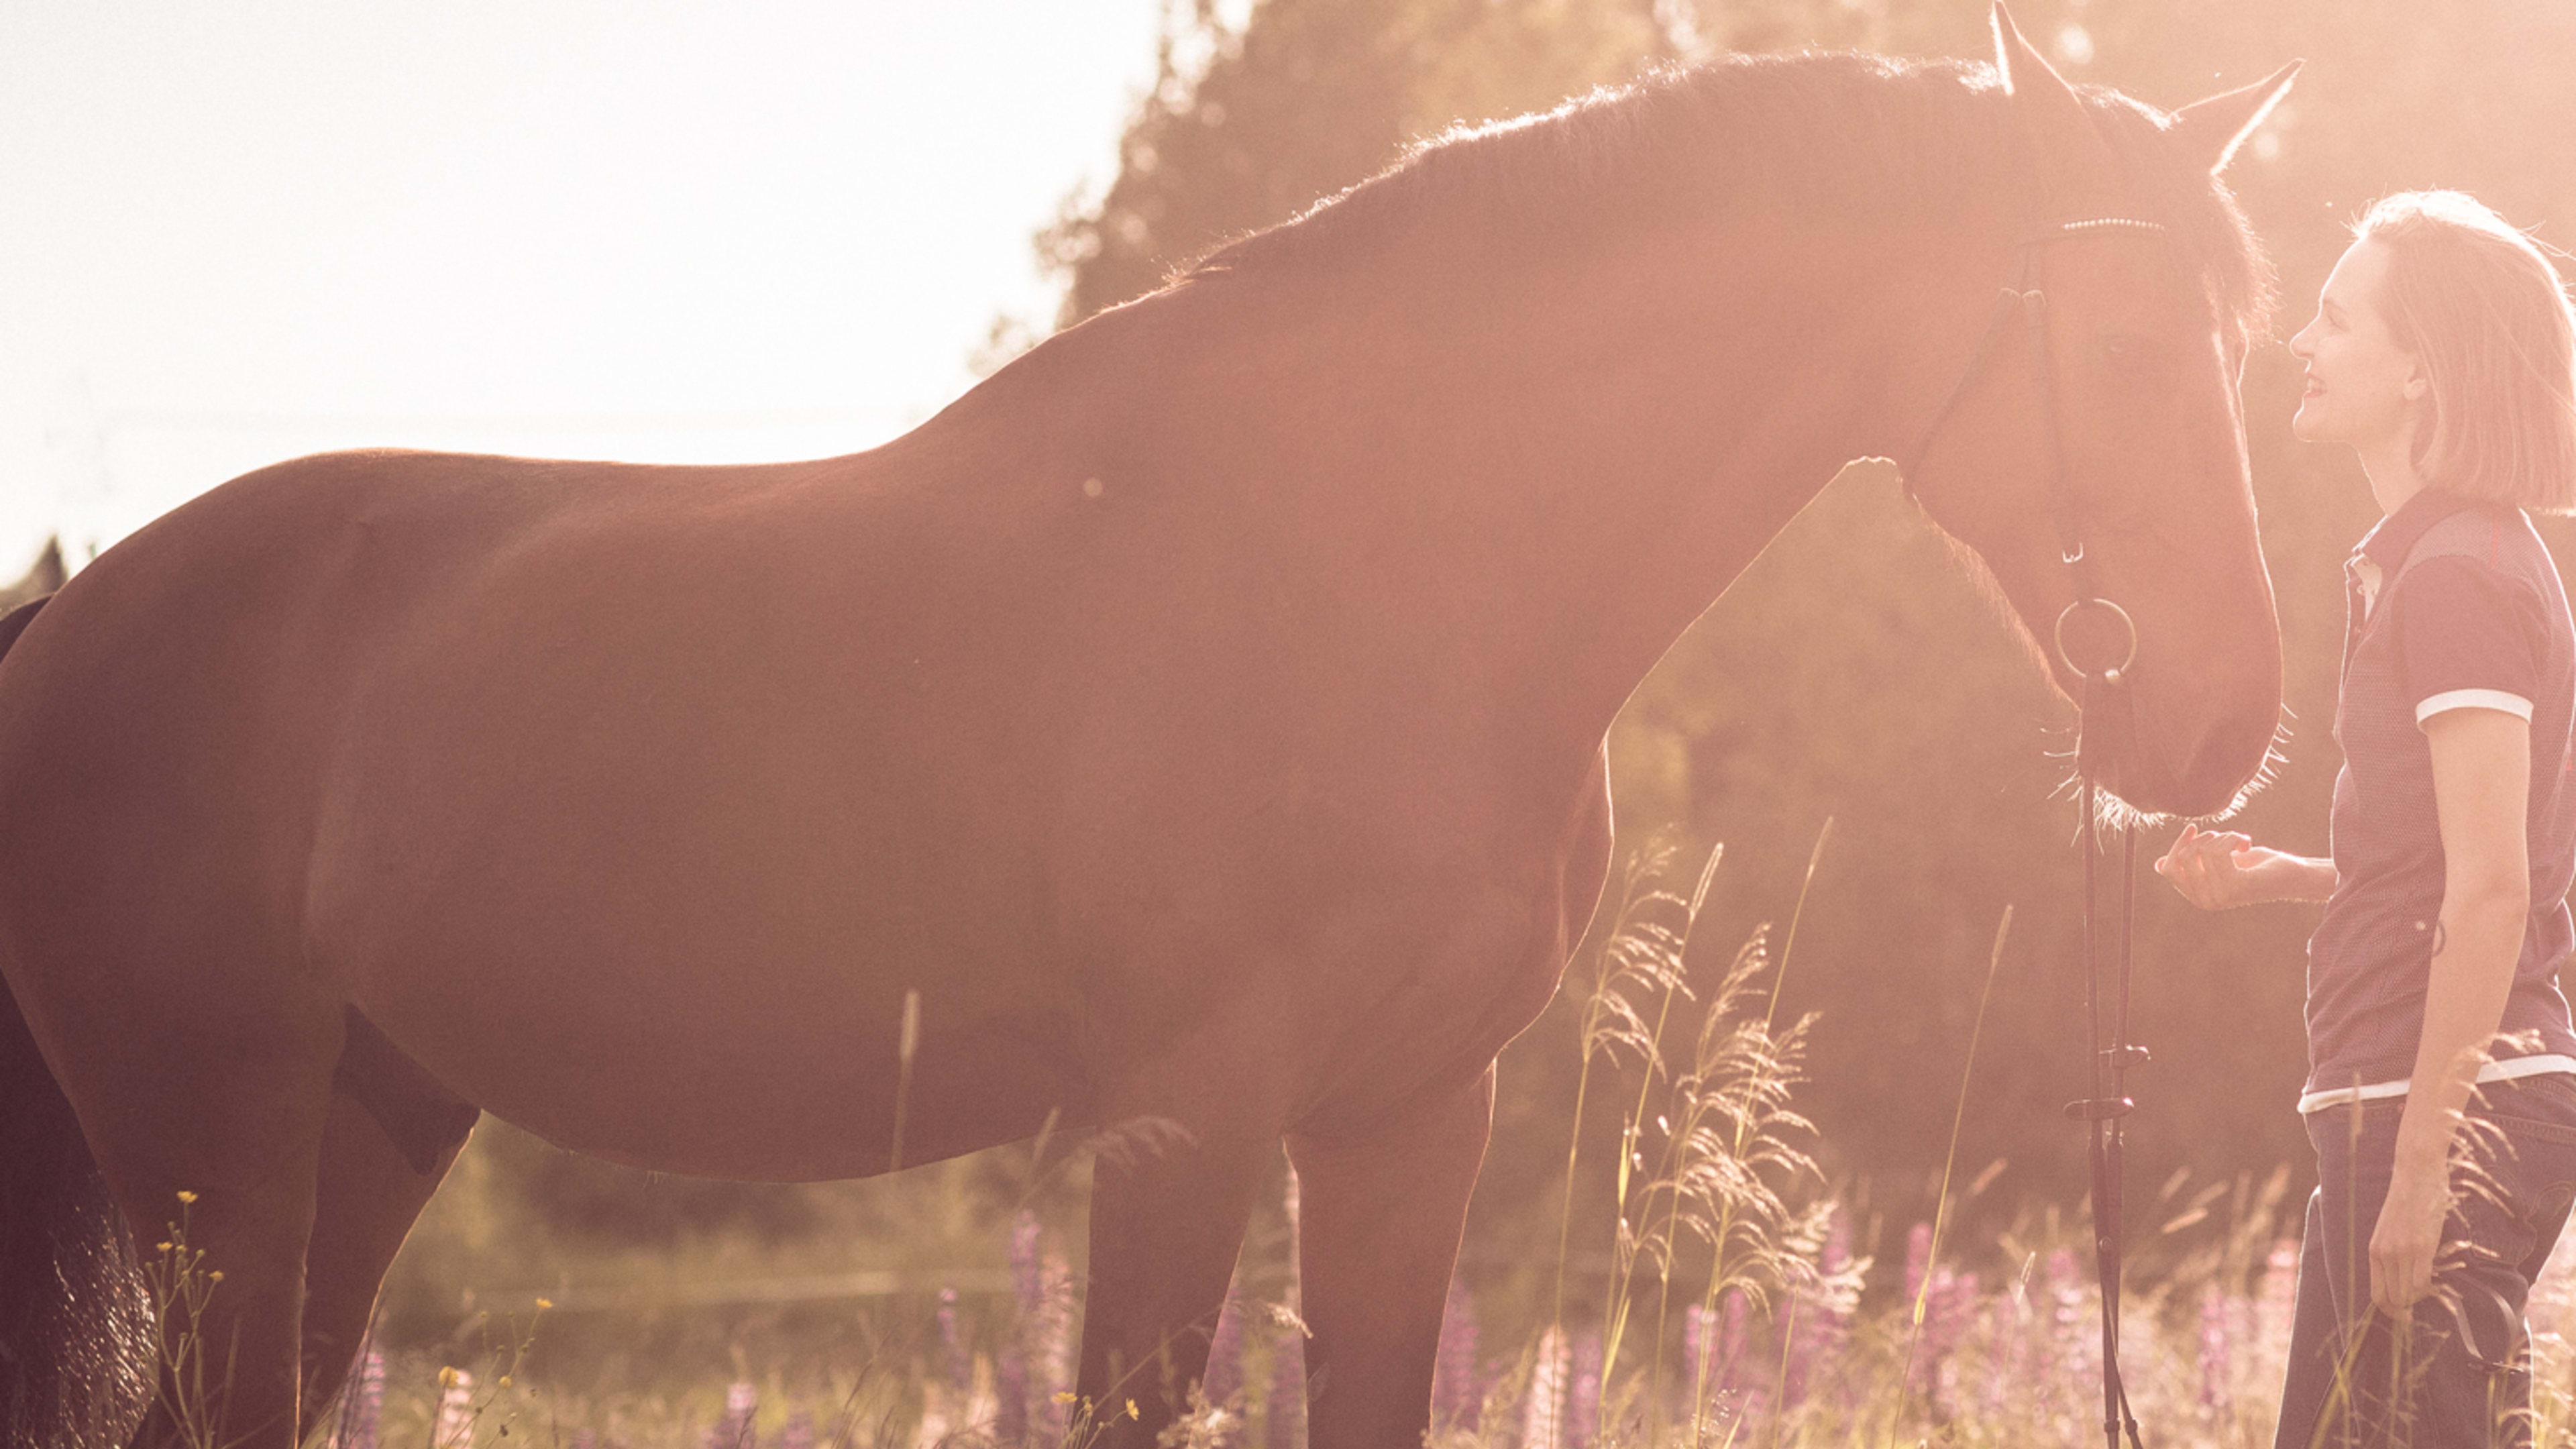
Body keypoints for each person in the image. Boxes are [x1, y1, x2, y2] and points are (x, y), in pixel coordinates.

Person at [2158, 190, 2576, 1448]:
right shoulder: (2440, 560)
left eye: (2336, 320)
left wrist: (2425, 1165)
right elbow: (2450, 859)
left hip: (2441, 1100)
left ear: (2421, 370)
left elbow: (2496, 894)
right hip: (2403, 1087)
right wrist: (2289, 876)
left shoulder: (2455, 580)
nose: (2304, 342)